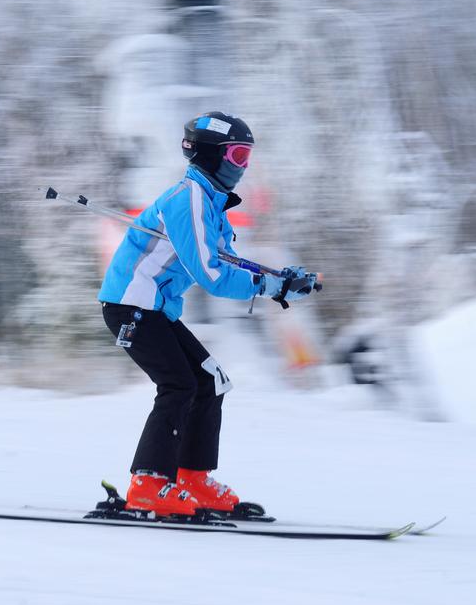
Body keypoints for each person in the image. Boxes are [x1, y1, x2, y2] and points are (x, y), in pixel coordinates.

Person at [98, 112, 316, 517]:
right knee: (179, 385)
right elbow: (213, 275)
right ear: (210, 154)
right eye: (236, 154)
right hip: (131, 305)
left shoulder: (210, 203)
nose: (242, 166)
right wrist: (271, 287)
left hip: (155, 308)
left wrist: (280, 279)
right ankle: (147, 484)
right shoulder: (189, 200)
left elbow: (226, 260)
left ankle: (191, 478)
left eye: (247, 156)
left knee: (211, 383)